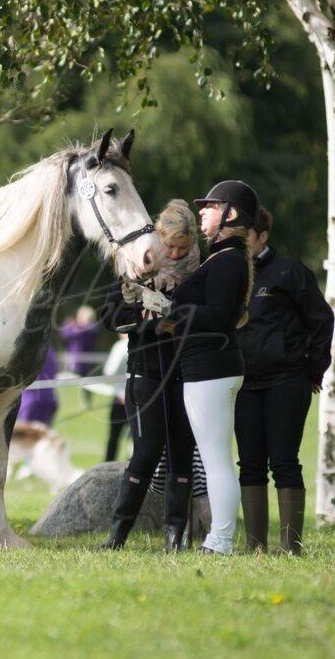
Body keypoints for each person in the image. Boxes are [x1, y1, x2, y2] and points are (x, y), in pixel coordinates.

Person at [154, 181, 256, 555]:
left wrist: (170, 310)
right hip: (209, 368)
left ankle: (221, 539)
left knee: (215, 460)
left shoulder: (227, 261)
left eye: (211, 207)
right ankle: (220, 538)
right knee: (215, 459)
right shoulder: (223, 257)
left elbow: (216, 316)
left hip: (211, 368)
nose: (202, 212)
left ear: (231, 214)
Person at [98, 200, 200, 551]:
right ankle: (118, 535)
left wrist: (179, 316)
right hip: (145, 373)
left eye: (182, 248)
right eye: (170, 246)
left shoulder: (199, 272)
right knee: (146, 452)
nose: (175, 254)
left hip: (186, 373)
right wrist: (145, 318)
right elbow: (110, 317)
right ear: (158, 238)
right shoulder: (134, 266)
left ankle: (175, 536)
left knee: (182, 454)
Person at [234, 205, 333, 554]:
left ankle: (291, 547)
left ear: (262, 236)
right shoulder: (229, 273)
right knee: (250, 463)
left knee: (284, 461)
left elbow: (322, 320)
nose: (238, 241)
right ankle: (255, 546)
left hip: (287, 381)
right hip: (243, 384)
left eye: (245, 234)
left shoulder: (290, 272)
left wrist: (313, 369)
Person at [61, 306, 100, 407]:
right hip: (74, 361)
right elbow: (65, 333)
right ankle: (71, 402)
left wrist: (77, 326)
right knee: (71, 381)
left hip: (87, 362)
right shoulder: (74, 326)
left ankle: (86, 402)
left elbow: (84, 334)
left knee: (87, 383)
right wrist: (73, 325)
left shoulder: (92, 328)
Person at [102, 334, 129, 461]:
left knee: (114, 436)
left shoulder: (120, 346)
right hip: (141, 397)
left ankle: (108, 463)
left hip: (120, 398)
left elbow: (110, 372)